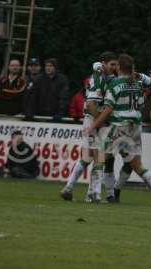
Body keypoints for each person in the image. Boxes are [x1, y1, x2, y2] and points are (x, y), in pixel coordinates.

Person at [84, 54, 151, 207]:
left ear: (119, 67)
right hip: (135, 127)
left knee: (100, 157)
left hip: (119, 126)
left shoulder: (115, 83)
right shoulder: (137, 83)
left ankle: (95, 194)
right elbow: (148, 85)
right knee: (137, 165)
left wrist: (94, 125)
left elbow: (108, 109)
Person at [60, 52, 118, 203]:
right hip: (93, 120)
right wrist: (100, 122)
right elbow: (92, 104)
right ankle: (93, 194)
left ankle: (70, 188)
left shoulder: (108, 78)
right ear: (103, 64)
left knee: (87, 158)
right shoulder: (96, 79)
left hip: (96, 120)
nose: (115, 67)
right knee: (98, 157)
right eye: (112, 64)